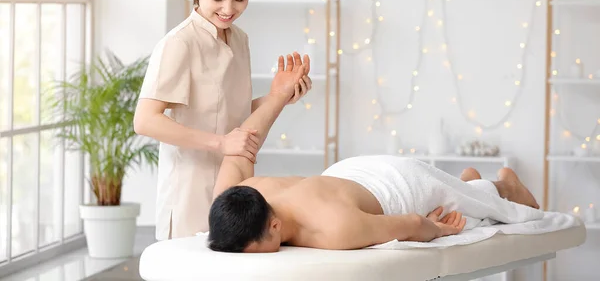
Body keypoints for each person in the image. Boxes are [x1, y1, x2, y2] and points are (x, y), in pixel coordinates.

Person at [206, 54, 542, 253]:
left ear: (275, 226)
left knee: (468, 214)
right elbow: (243, 144)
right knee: (461, 195)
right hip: (346, 174)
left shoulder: (335, 229)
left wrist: (436, 231)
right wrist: (278, 96)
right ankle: (467, 183)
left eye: (252, 253)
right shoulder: (234, 201)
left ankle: (504, 187)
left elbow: (411, 223)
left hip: (399, 185)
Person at [133, 0, 313, 241]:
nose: (228, 9)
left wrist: (279, 96)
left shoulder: (240, 40)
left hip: (235, 185)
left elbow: (233, 113)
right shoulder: (180, 44)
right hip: (189, 190)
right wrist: (220, 144)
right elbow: (145, 120)